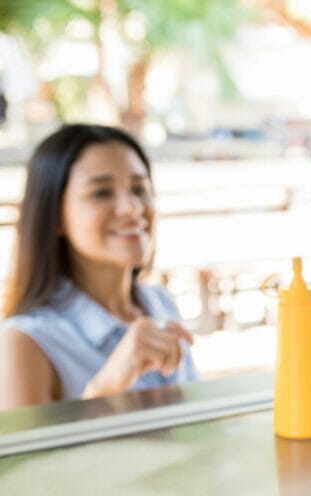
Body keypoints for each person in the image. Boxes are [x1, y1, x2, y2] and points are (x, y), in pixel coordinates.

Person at [0, 124, 197, 409]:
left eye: (139, 189)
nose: (131, 208)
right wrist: (105, 389)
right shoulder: (25, 343)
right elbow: (25, 455)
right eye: (102, 193)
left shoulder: (160, 303)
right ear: (54, 217)